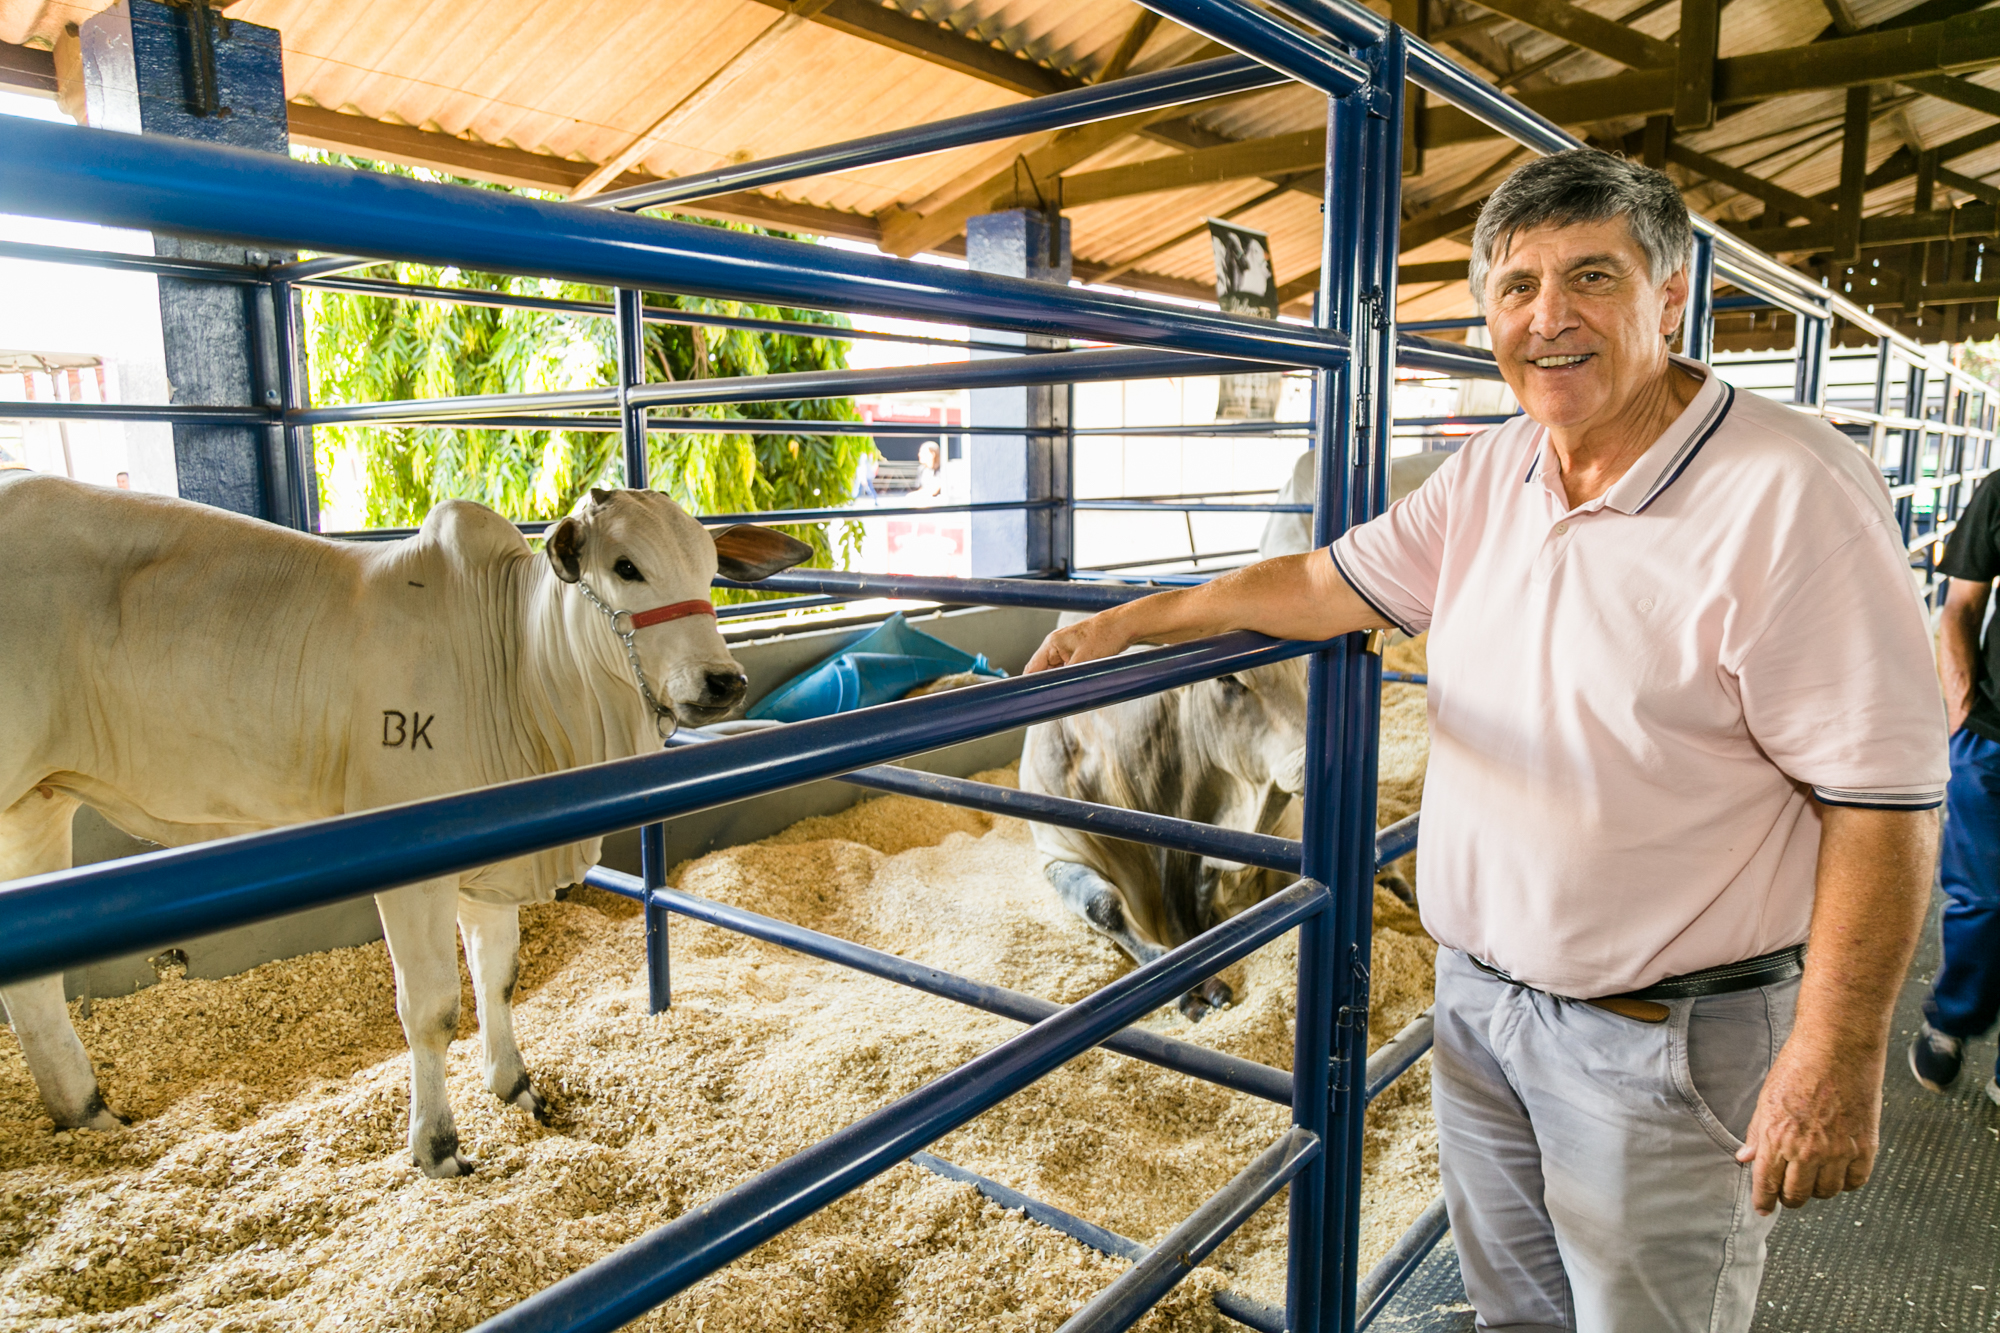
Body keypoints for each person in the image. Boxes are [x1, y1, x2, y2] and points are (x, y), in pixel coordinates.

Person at [1026, 149, 1946, 1333]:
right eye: (1516, 286)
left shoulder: (1790, 493)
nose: (1547, 318)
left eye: (1591, 278)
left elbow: (1883, 800)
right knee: (1513, 1309)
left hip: (1660, 1040)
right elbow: (1323, 582)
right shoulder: (1491, 472)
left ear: (1669, 298)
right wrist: (1126, 620)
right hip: (1476, 1010)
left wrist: (1833, 1055)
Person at [1910, 471, 2000, 1105]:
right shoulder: (1999, 491)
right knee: (1982, 898)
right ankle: (1952, 1020)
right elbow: (1962, 605)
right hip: (1993, 735)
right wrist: (1961, 710)